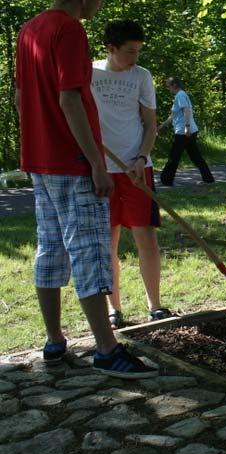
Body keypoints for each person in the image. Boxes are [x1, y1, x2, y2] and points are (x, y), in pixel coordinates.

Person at [14, 0, 156, 378]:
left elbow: (22, 98)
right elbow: (70, 99)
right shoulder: (68, 29)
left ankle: (54, 342)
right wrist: (95, 162)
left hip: (42, 162)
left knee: (51, 250)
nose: (100, 5)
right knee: (91, 251)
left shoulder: (29, 30)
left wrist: (32, 148)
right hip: (73, 162)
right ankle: (107, 350)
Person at [91, 20, 175, 329]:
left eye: (138, 51)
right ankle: (115, 310)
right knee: (107, 243)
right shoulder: (89, 73)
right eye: (130, 52)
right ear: (110, 49)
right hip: (101, 170)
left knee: (146, 240)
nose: (135, 58)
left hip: (138, 168)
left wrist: (141, 157)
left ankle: (155, 306)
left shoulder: (142, 77)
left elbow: (150, 124)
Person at [159, 77, 215, 186]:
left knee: (174, 156)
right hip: (187, 131)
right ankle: (208, 179)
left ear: (174, 85)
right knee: (195, 156)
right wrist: (161, 126)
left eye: (168, 86)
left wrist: (187, 127)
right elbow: (173, 116)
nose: (167, 88)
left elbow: (187, 110)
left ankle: (166, 180)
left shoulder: (180, 95)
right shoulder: (180, 96)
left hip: (183, 132)